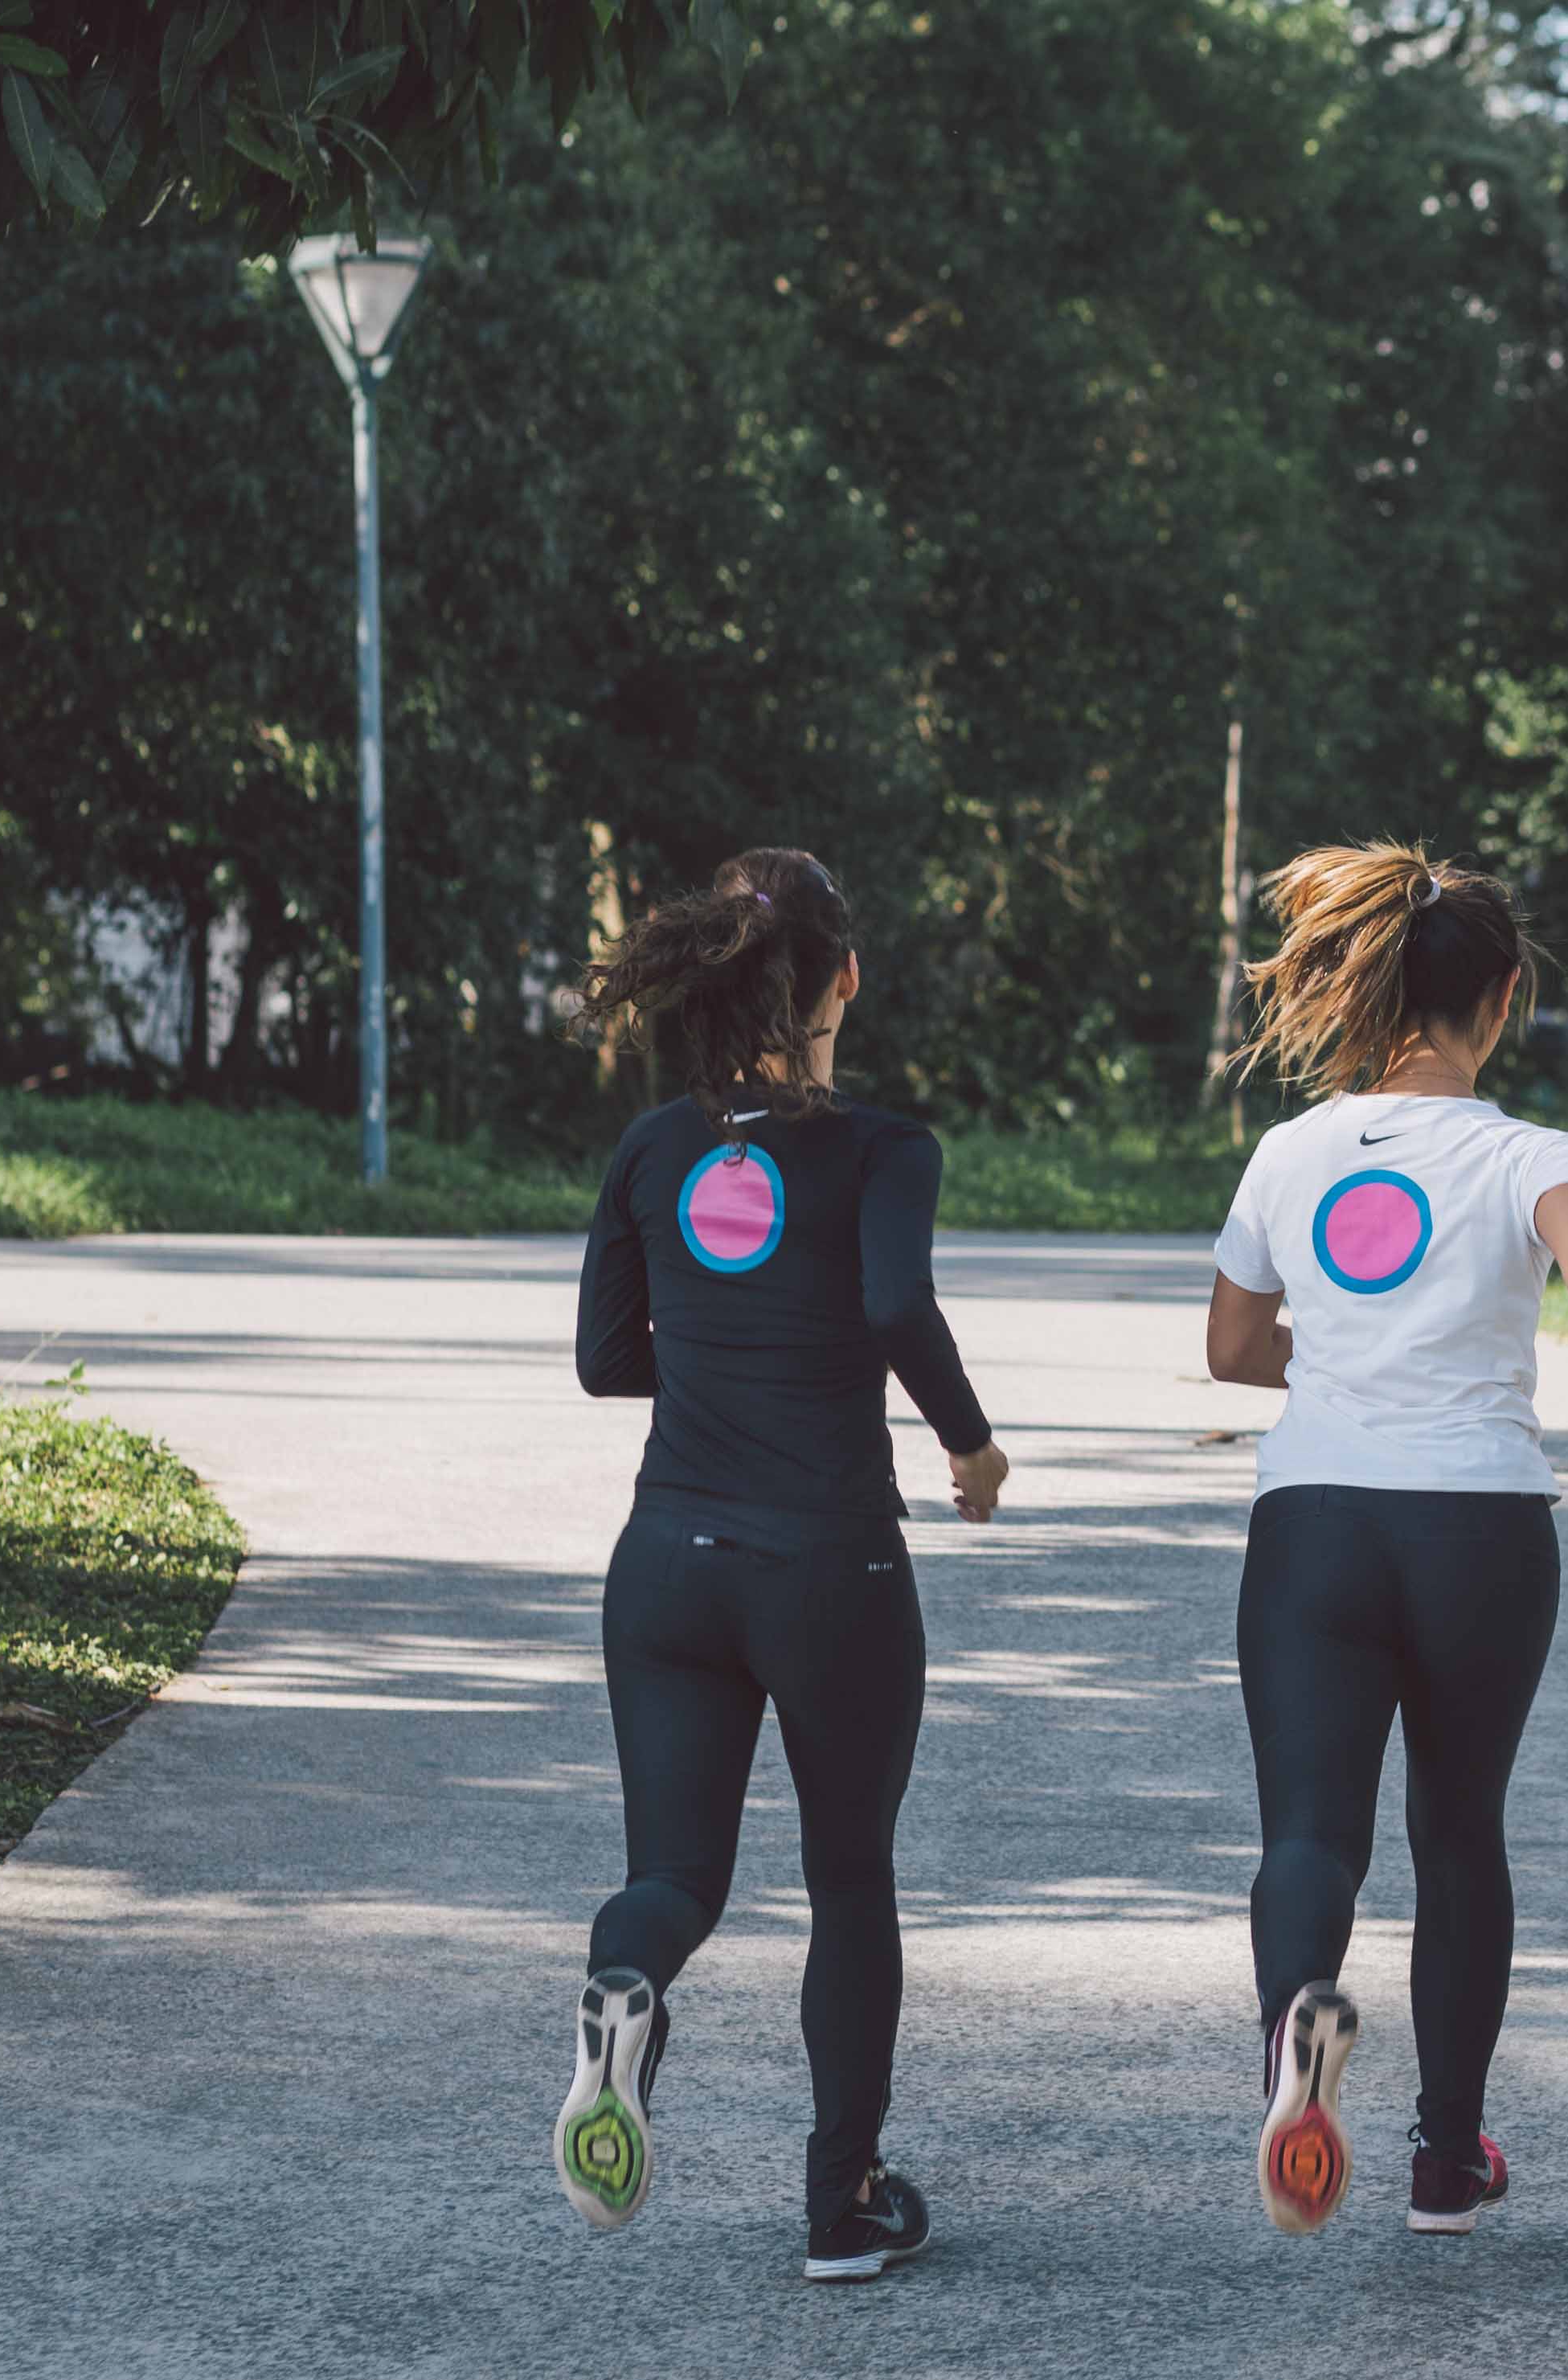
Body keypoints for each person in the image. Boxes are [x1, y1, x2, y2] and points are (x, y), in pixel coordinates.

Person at [1204, 841, 1568, 2242]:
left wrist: (1347, 1359)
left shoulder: (1290, 1149)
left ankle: (1295, 2031)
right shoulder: (1534, 1155)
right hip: (1481, 1526)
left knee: (1310, 1827)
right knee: (1458, 1830)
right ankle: (1446, 2157)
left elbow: (1233, 1344)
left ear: (1370, 988)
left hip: (1313, 1517)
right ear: (1499, 1002)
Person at [554, 846, 1009, 2285]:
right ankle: (840, 2202)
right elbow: (892, 1302)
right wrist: (973, 1447)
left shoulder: (650, 1147)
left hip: (666, 1565)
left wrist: (720, 1360)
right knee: (849, 1879)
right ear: (843, 979)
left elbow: (603, 1359)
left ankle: (626, 1982)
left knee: (675, 1875)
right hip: (829, 1569)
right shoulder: (882, 1148)